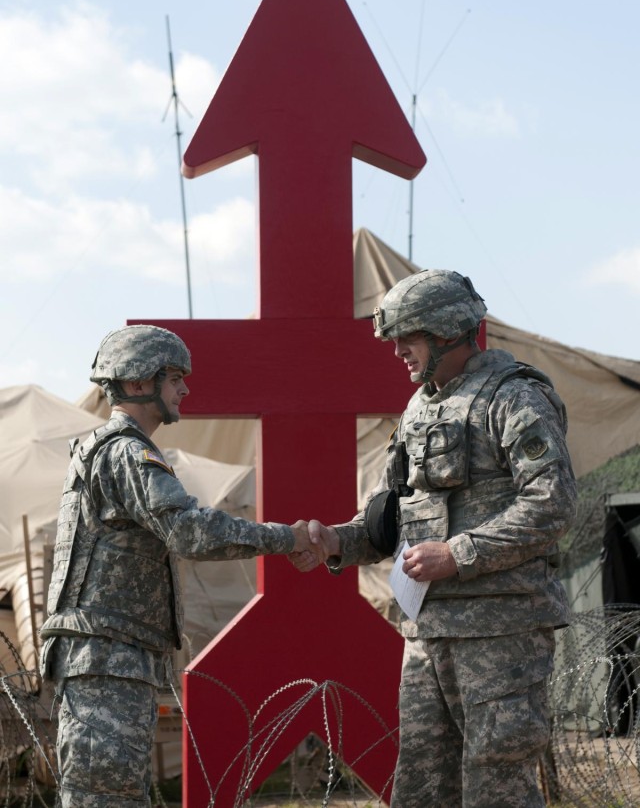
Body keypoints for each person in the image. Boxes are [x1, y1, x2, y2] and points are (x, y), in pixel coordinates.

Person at [290, 269, 577, 808]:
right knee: (422, 790)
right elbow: (387, 522)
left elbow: (552, 503)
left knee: (498, 788)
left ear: (448, 330)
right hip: (427, 634)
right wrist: (335, 541)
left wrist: (457, 554)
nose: (398, 351)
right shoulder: (419, 410)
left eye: (409, 337)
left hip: (501, 632)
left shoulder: (515, 398)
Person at [40, 324, 316, 808]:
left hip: (114, 660)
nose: (184, 388)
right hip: (108, 662)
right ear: (139, 382)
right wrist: (286, 537)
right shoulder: (127, 453)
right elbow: (191, 532)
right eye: (174, 378)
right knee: (107, 798)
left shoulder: (108, 451)